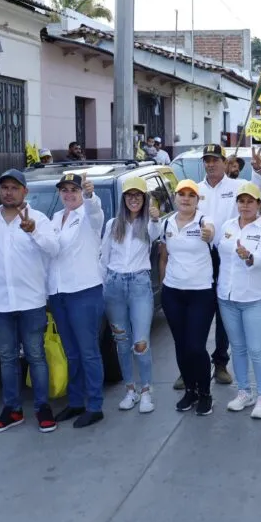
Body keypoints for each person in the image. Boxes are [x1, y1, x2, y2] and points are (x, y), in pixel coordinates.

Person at [0, 169, 60, 434]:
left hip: (31, 302)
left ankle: (42, 408)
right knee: (7, 358)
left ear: (25, 192)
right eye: (4, 188)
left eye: (14, 187)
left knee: (36, 356)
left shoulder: (39, 219)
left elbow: (53, 250)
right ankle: (12, 410)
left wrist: (33, 232)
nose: (8, 192)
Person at [185, 144, 261, 390]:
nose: (210, 164)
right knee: (196, 312)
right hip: (199, 258)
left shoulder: (236, 186)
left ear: (224, 162)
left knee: (223, 312)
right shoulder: (195, 190)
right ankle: (188, 364)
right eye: (207, 160)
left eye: (215, 160)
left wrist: (259, 171)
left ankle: (220, 362)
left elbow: (256, 191)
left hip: (226, 257)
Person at [48, 172, 107, 428]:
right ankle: (75, 402)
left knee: (88, 352)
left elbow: (95, 213)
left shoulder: (89, 217)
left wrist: (91, 195)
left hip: (84, 291)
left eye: (74, 189)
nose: (70, 194)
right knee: (71, 353)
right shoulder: (55, 218)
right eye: (65, 190)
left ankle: (95, 405)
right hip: (59, 293)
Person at [100, 177, 163, 414]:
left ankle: (146, 391)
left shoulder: (148, 224)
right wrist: (102, 286)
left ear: (144, 199)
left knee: (141, 342)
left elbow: (156, 231)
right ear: (123, 199)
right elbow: (103, 259)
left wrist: (156, 217)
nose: (133, 199)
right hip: (114, 285)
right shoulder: (112, 224)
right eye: (129, 195)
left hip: (139, 284)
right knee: (122, 342)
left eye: (138, 195)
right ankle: (130, 389)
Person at [216, 183, 261, 419]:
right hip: (227, 297)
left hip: (253, 298)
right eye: (241, 201)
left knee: (257, 349)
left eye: (250, 201)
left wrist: (250, 257)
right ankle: (244, 392)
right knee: (238, 348)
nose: (245, 205)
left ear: (259, 204)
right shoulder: (227, 226)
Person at [160, 180, 218, 416]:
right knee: (181, 346)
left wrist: (209, 233)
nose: (186, 199)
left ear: (197, 199)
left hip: (201, 293)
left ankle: (205, 393)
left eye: (191, 195)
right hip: (173, 292)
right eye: (181, 194)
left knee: (196, 346)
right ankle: (190, 391)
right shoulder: (167, 223)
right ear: (175, 197)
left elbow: (211, 231)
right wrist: (164, 283)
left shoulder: (204, 220)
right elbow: (163, 255)